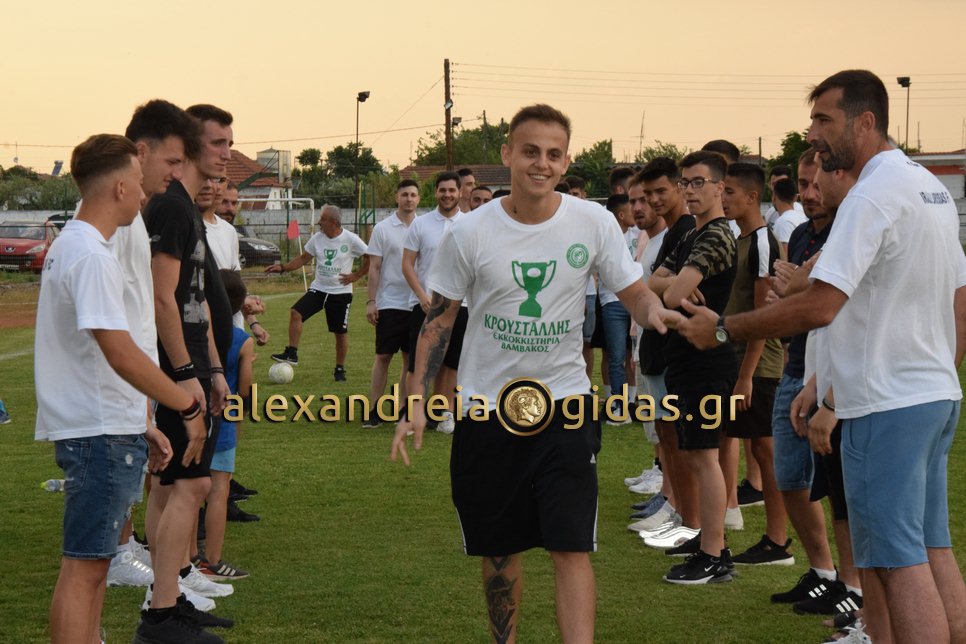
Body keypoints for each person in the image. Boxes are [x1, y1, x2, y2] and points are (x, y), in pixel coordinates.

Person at [677, 69, 966, 643]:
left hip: (886, 404)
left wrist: (724, 330)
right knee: (932, 548)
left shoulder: (873, 193)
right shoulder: (926, 186)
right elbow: (958, 298)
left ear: (865, 121)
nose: (812, 133)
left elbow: (820, 306)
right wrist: (934, 370)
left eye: (823, 119)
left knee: (898, 562)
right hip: (930, 396)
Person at [391, 104, 681, 643]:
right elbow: (438, 321)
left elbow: (635, 292)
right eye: (530, 151)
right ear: (508, 155)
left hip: (565, 407)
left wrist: (655, 313)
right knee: (500, 549)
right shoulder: (470, 232)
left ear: (566, 161)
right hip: (487, 409)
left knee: (571, 545)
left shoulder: (593, 222)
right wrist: (415, 401)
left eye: (553, 154)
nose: (541, 163)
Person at [35, 134, 209, 644]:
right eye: (137, 182)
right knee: (85, 568)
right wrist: (186, 403)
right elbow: (120, 352)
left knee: (90, 568)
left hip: (103, 424)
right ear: (117, 188)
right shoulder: (91, 254)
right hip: (99, 430)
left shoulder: (75, 245)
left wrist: (143, 421)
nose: (144, 193)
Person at [141, 104, 236, 641]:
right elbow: (162, 299)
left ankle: (169, 594)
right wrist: (183, 372)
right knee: (191, 482)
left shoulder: (188, 209)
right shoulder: (173, 208)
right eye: (218, 142)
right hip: (177, 368)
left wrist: (214, 368)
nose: (226, 153)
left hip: (196, 364)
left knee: (172, 482)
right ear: (192, 143)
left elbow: (197, 305)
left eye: (230, 142)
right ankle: (163, 607)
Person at [105, 99, 200, 591]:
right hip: (115, 390)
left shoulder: (135, 220)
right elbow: (117, 323)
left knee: (134, 473)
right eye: (172, 161)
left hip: (133, 386)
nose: (177, 173)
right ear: (141, 152)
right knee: (86, 565)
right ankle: (118, 551)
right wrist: (177, 393)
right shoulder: (116, 225)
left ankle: (124, 550)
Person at [647, 150, 737, 583]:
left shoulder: (716, 236)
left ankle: (714, 554)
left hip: (707, 359)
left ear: (720, 187)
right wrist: (674, 282)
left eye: (698, 182)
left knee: (704, 456)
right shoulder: (692, 234)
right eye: (685, 182)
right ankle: (709, 542)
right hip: (685, 358)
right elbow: (653, 282)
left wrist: (672, 283)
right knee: (695, 453)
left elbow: (668, 293)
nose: (690, 190)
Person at [717, 163, 791, 566]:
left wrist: (746, 375)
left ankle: (777, 542)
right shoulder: (740, 239)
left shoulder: (763, 241)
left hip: (759, 366)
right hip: (737, 361)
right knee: (742, 446)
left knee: (766, 452)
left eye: (729, 191)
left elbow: (764, 314)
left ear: (751, 196)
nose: (722, 198)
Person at [194, 269, 253, 582]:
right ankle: (213, 562)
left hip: (191, 416)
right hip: (224, 423)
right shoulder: (242, 341)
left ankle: (188, 556)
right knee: (218, 491)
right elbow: (243, 390)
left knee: (189, 491)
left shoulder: (193, 332)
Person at [266, 205, 368, 381]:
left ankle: (339, 369)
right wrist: (282, 268)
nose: (319, 222)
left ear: (334, 222)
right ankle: (292, 353)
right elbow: (303, 259)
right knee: (296, 312)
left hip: (340, 293)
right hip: (319, 289)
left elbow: (371, 256)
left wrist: (356, 275)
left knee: (340, 333)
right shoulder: (317, 239)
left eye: (323, 219)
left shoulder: (351, 239)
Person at [401, 172, 467, 432]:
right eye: (443, 190)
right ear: (436, 192)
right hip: (426, 306)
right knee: (419, 366)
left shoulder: (471, 224)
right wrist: (421, 295)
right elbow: (407, 264)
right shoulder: (420, 224)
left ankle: (443, 414)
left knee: (451, 364)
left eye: (452, 190)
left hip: (461, 307)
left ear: (460, 192)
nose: (447, 195)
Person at [363, 180, 418, 427]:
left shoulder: (423, 227)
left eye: (413, 195)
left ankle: (404, 409)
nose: (409, 199)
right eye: (405, 194)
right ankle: (374, 409)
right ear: (397, 198)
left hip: (416, 303)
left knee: (409, 359)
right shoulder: (382, 228)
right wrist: (371, 301)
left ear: (418, 199)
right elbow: (374, 267)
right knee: (383, 356)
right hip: (390, 303)